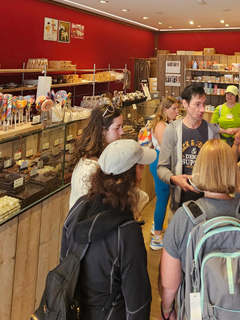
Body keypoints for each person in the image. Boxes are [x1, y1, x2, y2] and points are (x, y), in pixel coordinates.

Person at [159, 139, 240, 320]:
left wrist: (167, 310)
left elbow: (170, 283)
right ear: (233, 171)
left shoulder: (184, 217)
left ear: (199, 170)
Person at [61, 139, 156, 320]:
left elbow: (65, 266)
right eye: (140, 167)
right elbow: (138, 302)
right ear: (129, 176)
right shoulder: (127, 231)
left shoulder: (78, 208)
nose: (142, 173)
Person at [157, 85, 220, 215]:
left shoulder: (211, 131)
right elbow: (161, 168)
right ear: (185, 104)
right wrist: (174, 178)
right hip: (179, 203)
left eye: (203, 104)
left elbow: (218, 166)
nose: (202, 109)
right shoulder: (172, 130)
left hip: (208, 203)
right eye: (197, 104)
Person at [69, 104, 124, 209]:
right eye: (117, 128)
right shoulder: (90, 169)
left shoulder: (102, 156)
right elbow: (88, 211)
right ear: (103, 131)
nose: (122, 132)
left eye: (122, 127)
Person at [148, 96, 180, 250]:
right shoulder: (161, 125)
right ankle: (156, 238)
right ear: (165, 110)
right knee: (162, 200)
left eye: (177, 108)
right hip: (160, 164)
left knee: (163, 199)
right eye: (173, 108)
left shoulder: (166, 123)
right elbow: (165, 147)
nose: (177, 111)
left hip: (163, 164)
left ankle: (156, 226)